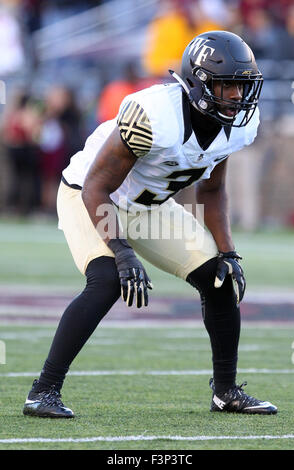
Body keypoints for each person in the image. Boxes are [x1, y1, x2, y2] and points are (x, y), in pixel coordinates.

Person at [23, 30, 277, 418]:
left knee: (220, 279)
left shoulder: (237, 122)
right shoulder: (153, 115)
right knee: (108, 279)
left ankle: (225, 392)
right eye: (228, 86)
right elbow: (96, 187)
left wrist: (228, 251)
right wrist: (122, 251)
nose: (238, 98)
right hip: (89, 196)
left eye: (242, 87)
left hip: (150, 206)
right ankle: (43, 391)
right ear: (200, 83)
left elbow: (212, 192)